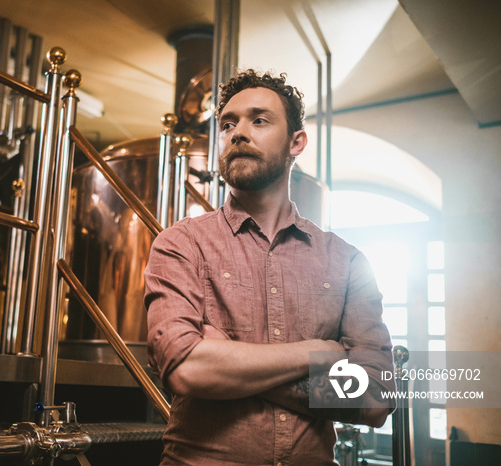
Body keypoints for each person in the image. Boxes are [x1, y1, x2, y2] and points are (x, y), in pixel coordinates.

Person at [144, 69, 396, 465]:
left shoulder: (348, 261)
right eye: (228, 124)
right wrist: (320, 352)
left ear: (296, 142)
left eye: (259, 120)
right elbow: (187, 370)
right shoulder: (181, 243)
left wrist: (228, 358)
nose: (237, 133)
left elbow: (376, 399)